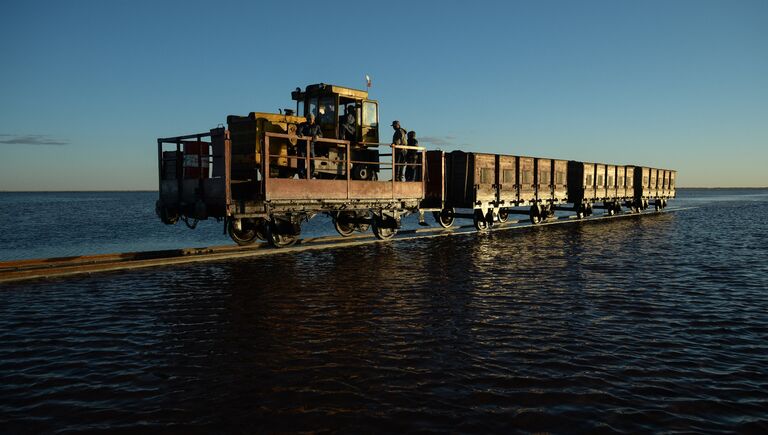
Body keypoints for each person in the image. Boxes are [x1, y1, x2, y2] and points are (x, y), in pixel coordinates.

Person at [296, 113, 322, 178]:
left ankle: (310, 176)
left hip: (311, 146)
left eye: (311, 119)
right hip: (302, 146)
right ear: (306, 119)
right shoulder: (302, 125)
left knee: (312, 162)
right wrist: (300, 133)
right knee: (301, 161)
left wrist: (317, 136)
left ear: (313, 119)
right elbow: (298, 131)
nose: (309, 120)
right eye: (308, 119)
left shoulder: (317, 126)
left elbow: (321, 134)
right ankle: (301, 177)